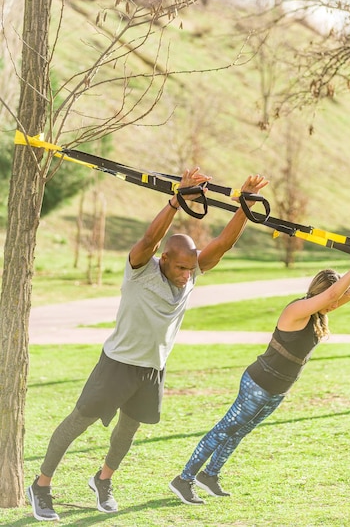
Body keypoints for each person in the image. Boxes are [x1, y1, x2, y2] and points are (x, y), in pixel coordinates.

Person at [27, 167, 268, 521]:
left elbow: (223, 244)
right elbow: (149, 239)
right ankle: (42, 485)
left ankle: (103, 481)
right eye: (182, 268)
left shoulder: (191, 274)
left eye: (191, 269)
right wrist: (175, 202)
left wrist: (244, 206)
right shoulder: (140, 269)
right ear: (165, 260)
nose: (188, 275)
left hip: (152, 369)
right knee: (77, 424)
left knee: (127, 432)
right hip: (117, 364)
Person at [169, 246, 350, 505]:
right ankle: (183, 479)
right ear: (321, 293)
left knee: (240, 432)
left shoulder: (320, 312)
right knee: (224, 430)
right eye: (332, 297)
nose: (336, 303)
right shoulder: (296, 310)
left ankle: (209, 475)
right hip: (258, 383)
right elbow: (336, 292)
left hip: (277, 390)